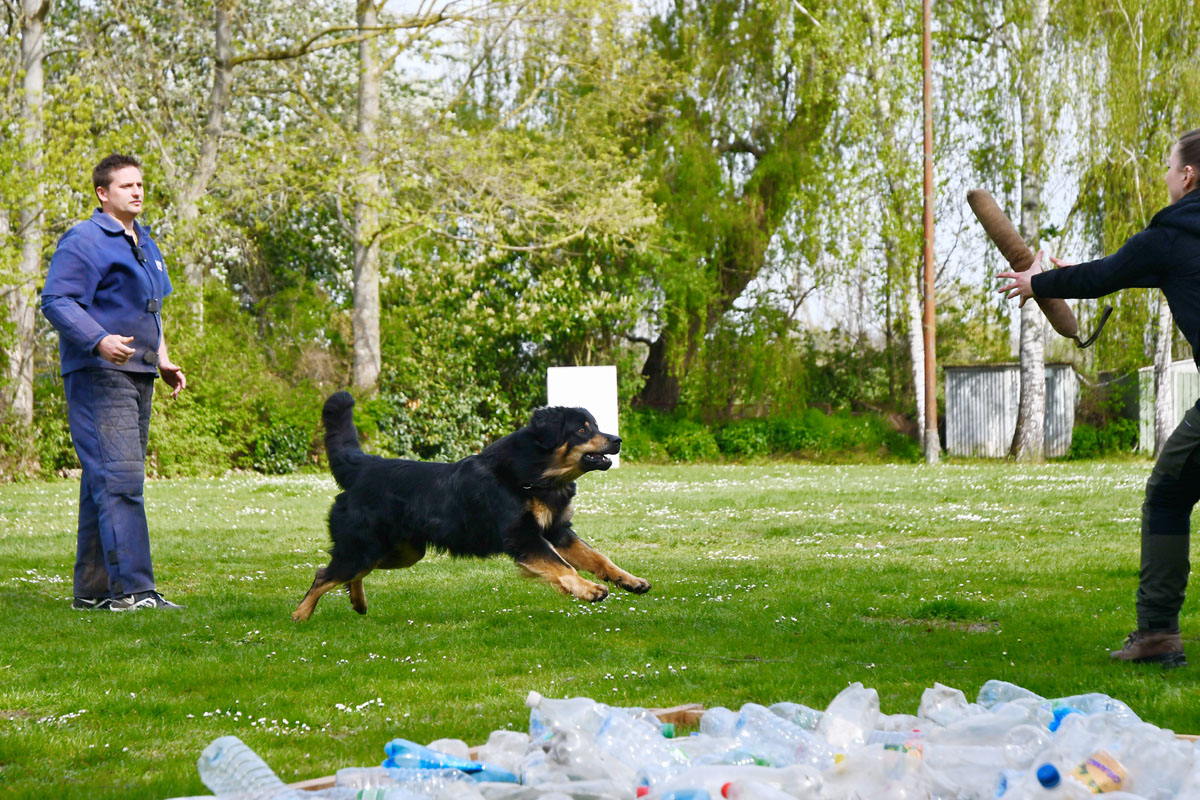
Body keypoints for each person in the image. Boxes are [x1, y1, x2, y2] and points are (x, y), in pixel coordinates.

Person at [998, 128, 1200, 666]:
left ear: (1188, 175)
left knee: (1169, 496)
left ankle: (1157, 636)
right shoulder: (1176, 245)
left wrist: (1034, 285)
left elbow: (1114, 273)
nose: (1164, 175)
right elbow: (1127, 271)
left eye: (1167, 165)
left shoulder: (1174, 232)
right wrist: (1066, 276)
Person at [41, 154, 187, 612]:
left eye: (141, 184)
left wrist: (162, 360)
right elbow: (56, 300)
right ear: (103, 193)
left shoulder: (144, 242)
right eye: (126, 186)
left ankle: (93, 590)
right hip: (100, 374)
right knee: (121, 479)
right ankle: (136, 592)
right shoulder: (84, 240)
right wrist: (99, 340)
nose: (138, 191)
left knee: (102, 479)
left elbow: (152, 310)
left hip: (139, 373)